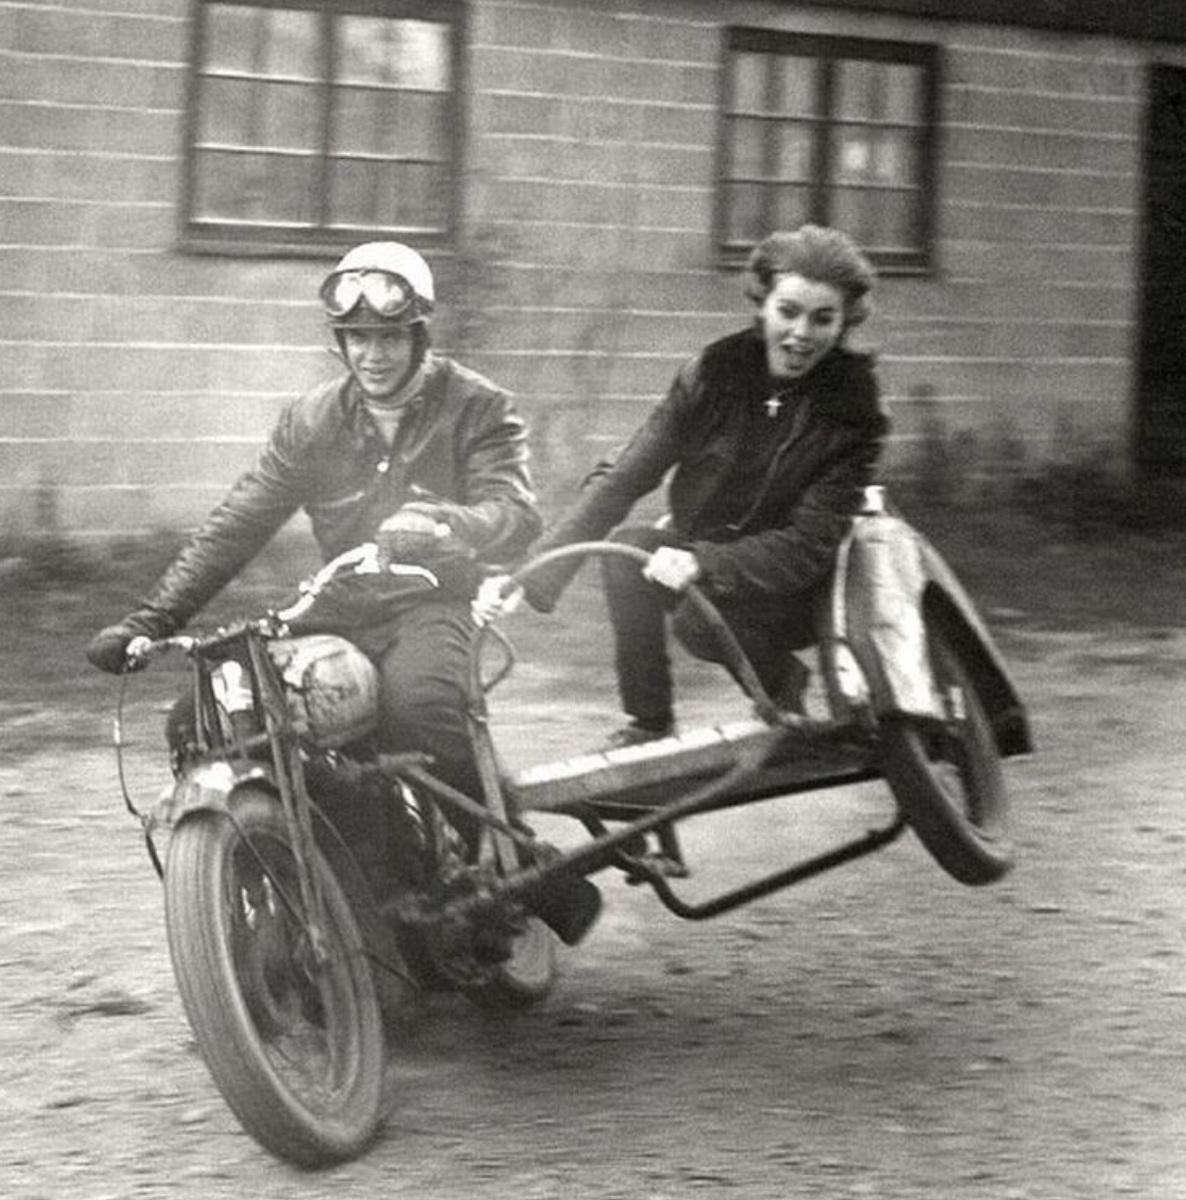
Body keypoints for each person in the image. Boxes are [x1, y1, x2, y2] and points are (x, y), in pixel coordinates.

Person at [87, 240, 543, 837]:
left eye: (389, 337)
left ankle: (512, 850)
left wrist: (445, 525)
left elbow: (514, 513)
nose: (373, 355)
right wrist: (151, 620)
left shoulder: (477, 405)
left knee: (419, 712)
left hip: (435, 601)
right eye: (358, 338)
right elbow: (239, 523)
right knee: (209, 714)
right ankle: (343, 850)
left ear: (419, 337)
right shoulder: (312, 420)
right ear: (341, 342)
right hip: (340, 605)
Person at [479, 224, 888, 747]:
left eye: (822, 319)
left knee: (697, 617)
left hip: (794, 589)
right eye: (788, 311)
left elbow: (807, 547)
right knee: (627, 551)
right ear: (762, 305)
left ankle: (782, 685)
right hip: (703, 558)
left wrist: (703, 563)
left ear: (844, 322)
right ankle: (649, 723)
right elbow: (624, 479)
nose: (801, 333)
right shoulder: (713, 376)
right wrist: (528, 573)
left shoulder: (854, 413)